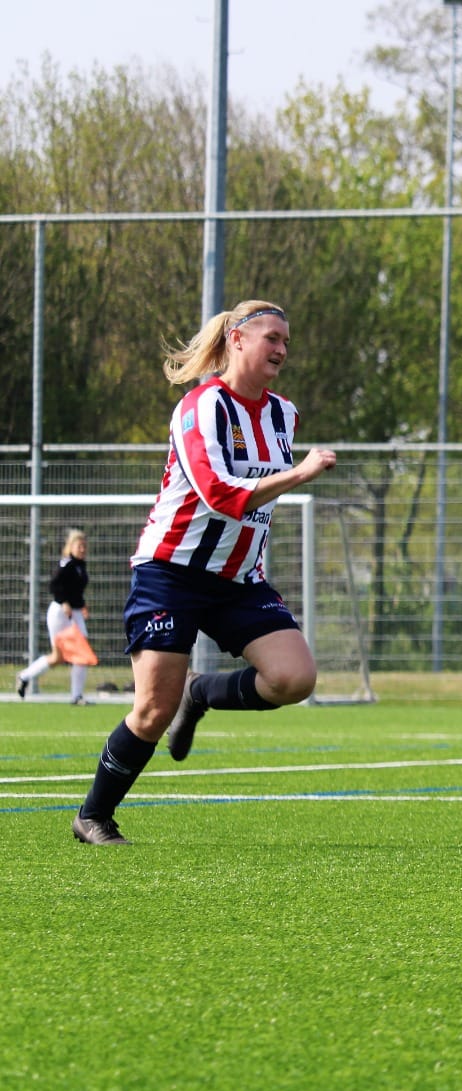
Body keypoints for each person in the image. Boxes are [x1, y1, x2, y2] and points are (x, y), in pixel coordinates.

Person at [70, 299, 337, 846]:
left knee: (294, 678)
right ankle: (93, 815)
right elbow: (217, 495)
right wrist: (299, 473)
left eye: (287, 341)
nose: (282, 349)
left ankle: (204, 694)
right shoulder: (200, 408)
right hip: (172, 572)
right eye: (272, 338)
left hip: (238, 580)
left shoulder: (284, 415)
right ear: (236, 340)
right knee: (150, 710)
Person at [16, 529, 93, 704]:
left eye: (84, 546)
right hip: (60, 612)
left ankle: (76, 695)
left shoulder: (81, 565)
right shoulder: (66, 564)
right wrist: (64, 602)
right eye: (79, 545)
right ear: (70, 546)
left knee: (75, 654)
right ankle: (25, 676)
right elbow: (55, 586)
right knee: (62, 656)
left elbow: (75, 590)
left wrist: (82, 605)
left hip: (74, 612)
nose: (82, 549)